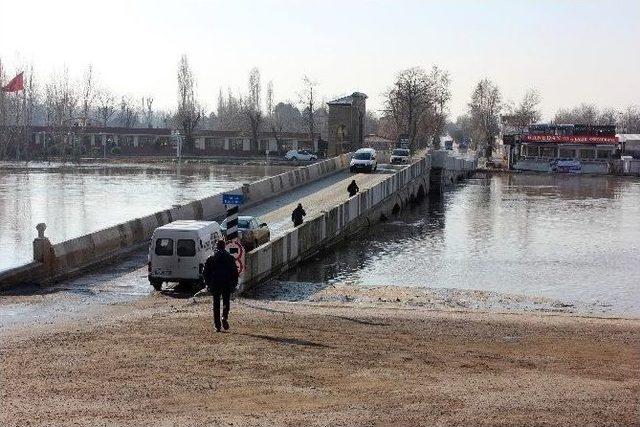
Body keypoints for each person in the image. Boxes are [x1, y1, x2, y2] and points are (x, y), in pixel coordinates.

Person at [203, 240, 239, 332]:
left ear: (216, 247)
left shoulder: (211, 258)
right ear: (224, 247)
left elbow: (205, 273)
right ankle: (224, 317)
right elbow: (235, 273)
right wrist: (234, 284)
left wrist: (208, 284)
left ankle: (217, 325)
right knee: (226, 302)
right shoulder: (230, 258)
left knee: (216, 304)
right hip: (226, 283)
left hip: (215, 284)